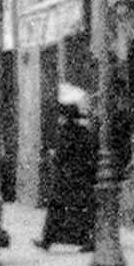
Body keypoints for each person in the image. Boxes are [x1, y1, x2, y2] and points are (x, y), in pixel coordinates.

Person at [33, 103, 97, 253]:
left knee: (56, 208)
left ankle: (48, 239)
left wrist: (52, 156)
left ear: (65, 118)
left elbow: (61, 155)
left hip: (66, 178)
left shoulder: (65, 133)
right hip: (82, 178)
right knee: (82, 211)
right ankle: (85, 239)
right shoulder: (85, 133)